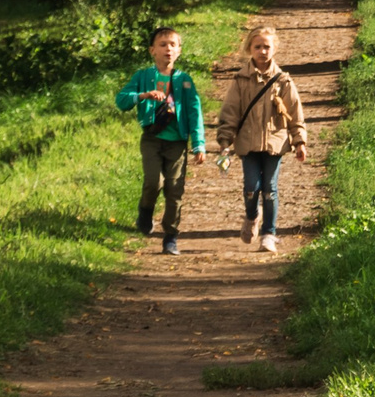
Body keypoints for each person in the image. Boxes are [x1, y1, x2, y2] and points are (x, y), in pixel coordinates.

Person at [214, 24, 308, 253]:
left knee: (270, 189)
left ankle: (269, 234)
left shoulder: (283, 81)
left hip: (275, 142)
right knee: (251, 187)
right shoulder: (240, 80)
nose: (262, 51)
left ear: (274, 48)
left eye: (267, 47)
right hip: (247, 143)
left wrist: (299, 141)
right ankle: (252, 215)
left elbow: (295, 113)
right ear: (250, 49)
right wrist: (225, 140)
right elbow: (230, 112)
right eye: (257, 47)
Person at [115, 26, 206, 254]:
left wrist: (198, 144)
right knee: (153, 182)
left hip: (177, 143)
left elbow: (194, 111)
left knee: (174, 189)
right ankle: (145, 212)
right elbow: (121, 100)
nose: (168, 49)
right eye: (162, 44)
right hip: (152, 139)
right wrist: (143, 95)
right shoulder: (143, 77)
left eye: (173, 45)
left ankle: (170, 236)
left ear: (179, 51)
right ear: (152, 50)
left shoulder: (184, 80)